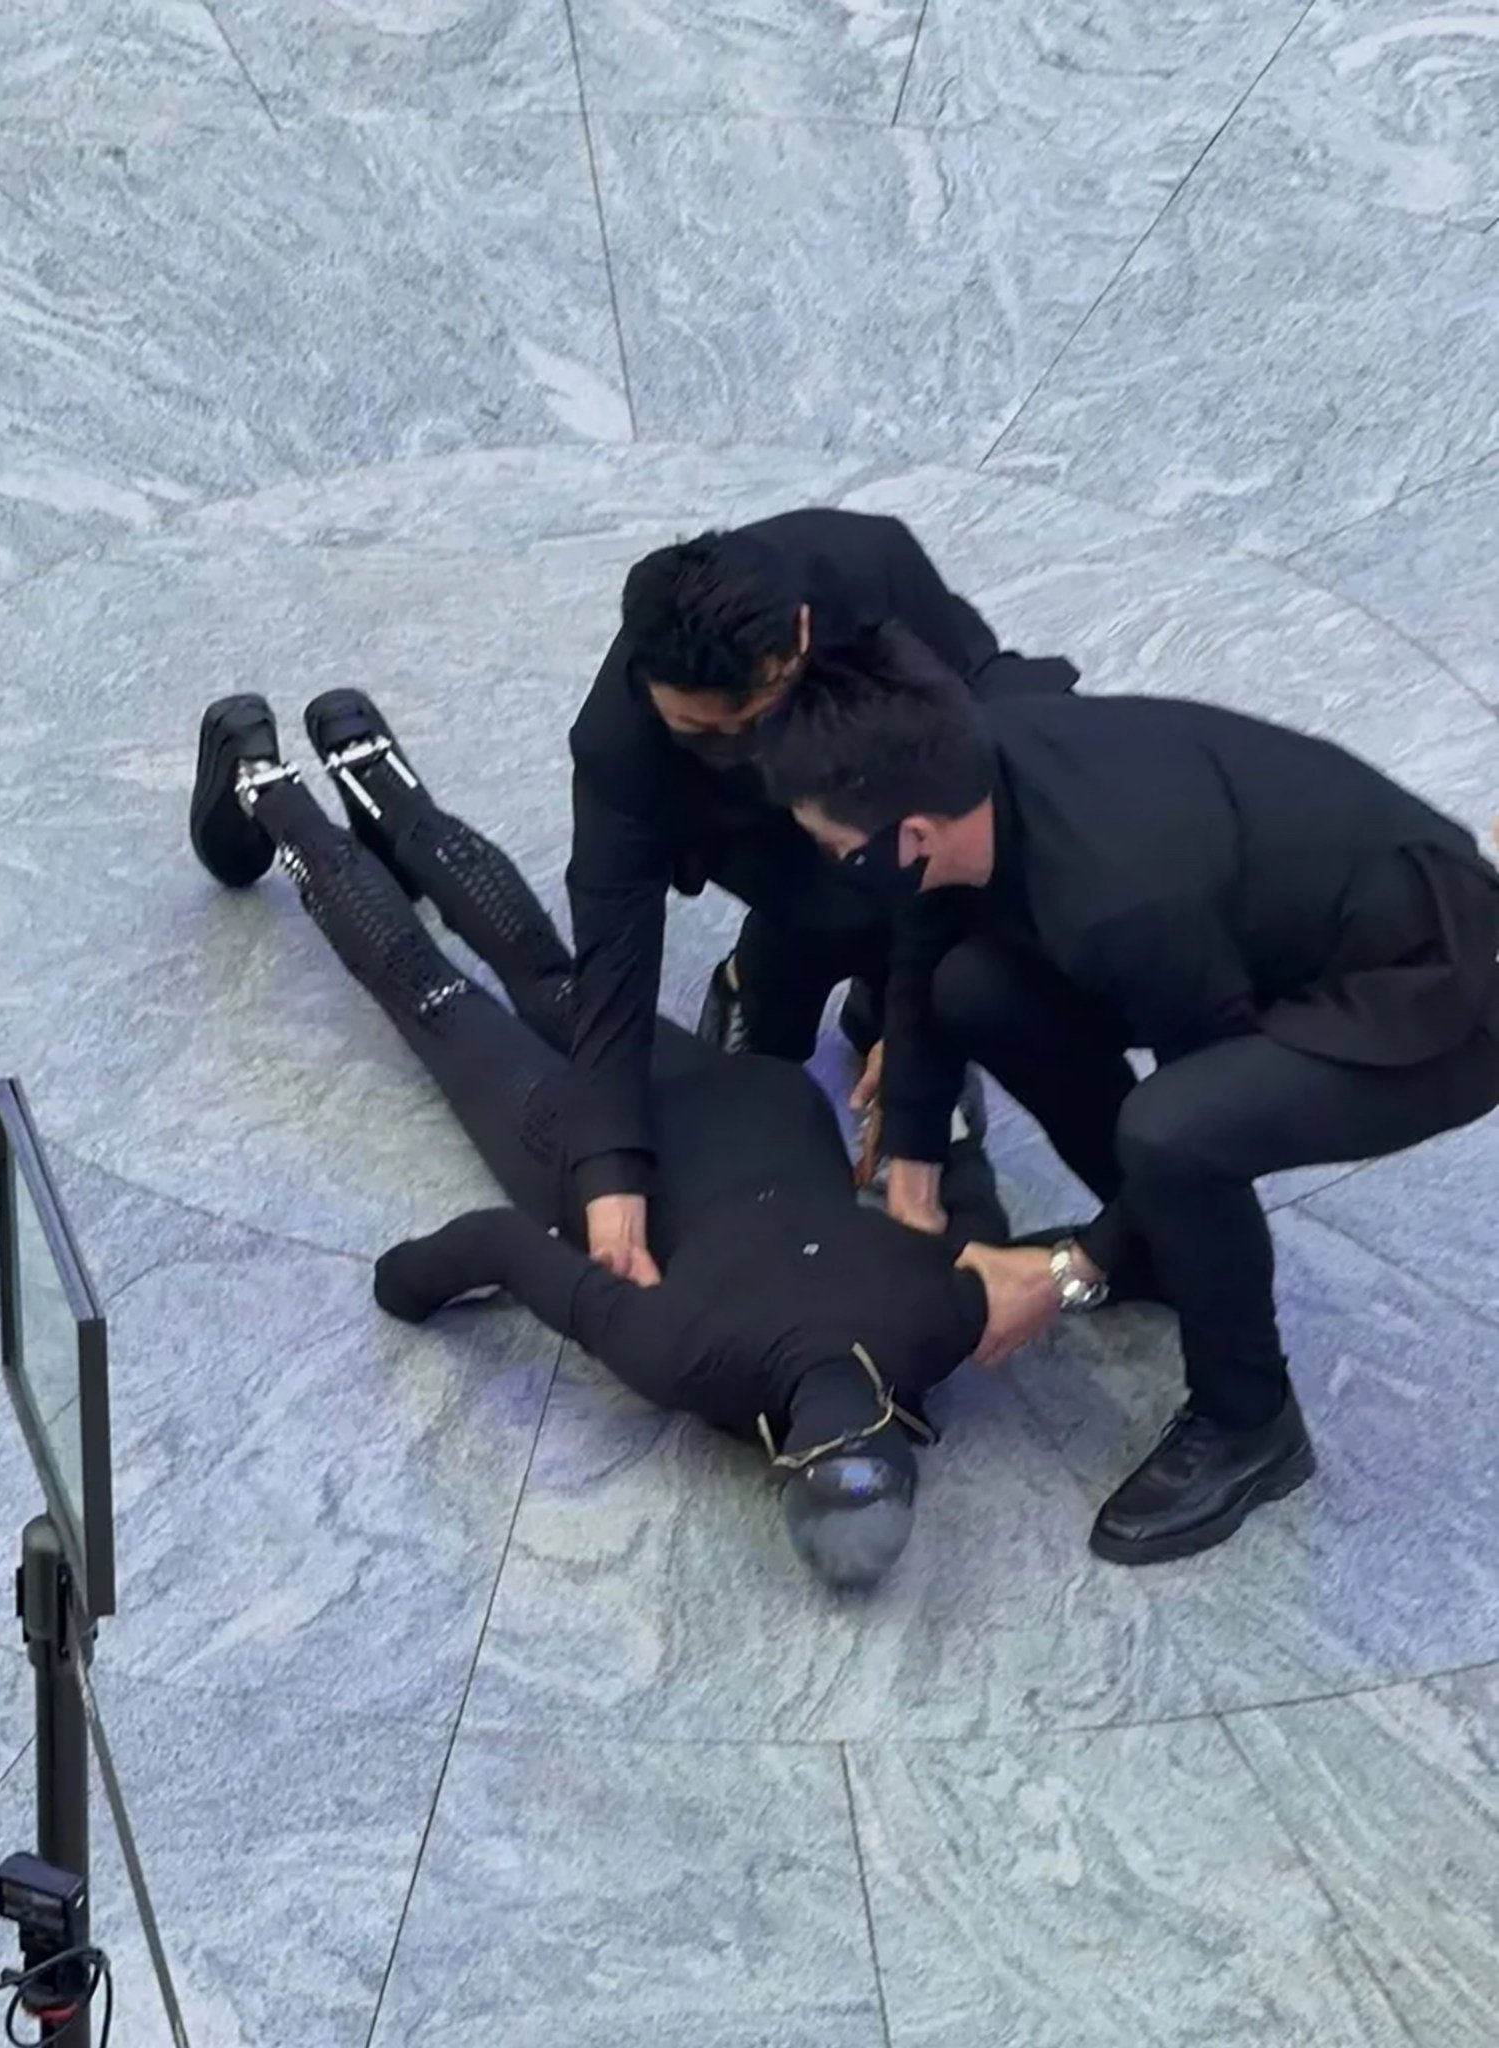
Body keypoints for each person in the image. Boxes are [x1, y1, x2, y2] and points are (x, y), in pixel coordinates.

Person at [186, 688, 1012, 1588]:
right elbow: (497, 1246)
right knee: (432, 994)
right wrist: (403, 1285)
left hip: (750, 1104)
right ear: (779, 1463)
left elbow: (966, 1162)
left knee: (547, 972)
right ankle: (266, 781)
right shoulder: (689, 1357)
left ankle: (367, 761)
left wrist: (923, 1108)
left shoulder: (949, 1319)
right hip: (583, 1149)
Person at [762, 626, 1499, 1565]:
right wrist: (914, 1166)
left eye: (832, 845)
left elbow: (1210, 1097)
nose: (827, 859)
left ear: (908, 837)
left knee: (1175, 1133)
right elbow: (923, 937)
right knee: (972, 988)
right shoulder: (969, 771)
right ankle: (1161, 1253)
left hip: (1436, 994)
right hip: (1266, 934)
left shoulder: (1119, 897)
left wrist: (1067, 1272)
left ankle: (1250, 1422)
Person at [566, 510, 1079, 1287]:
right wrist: (609, 1169)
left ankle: (883, 1005)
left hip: (880, 775)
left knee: (953, 910)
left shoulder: (870, 563)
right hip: (741, 831)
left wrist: (919, 1034)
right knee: (795, 979)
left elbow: (967, 761)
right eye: (704, 730)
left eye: (752, 720)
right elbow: (613, 955)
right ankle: (757, 981)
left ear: (800, 633)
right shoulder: (620, 748)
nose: (740, 746)